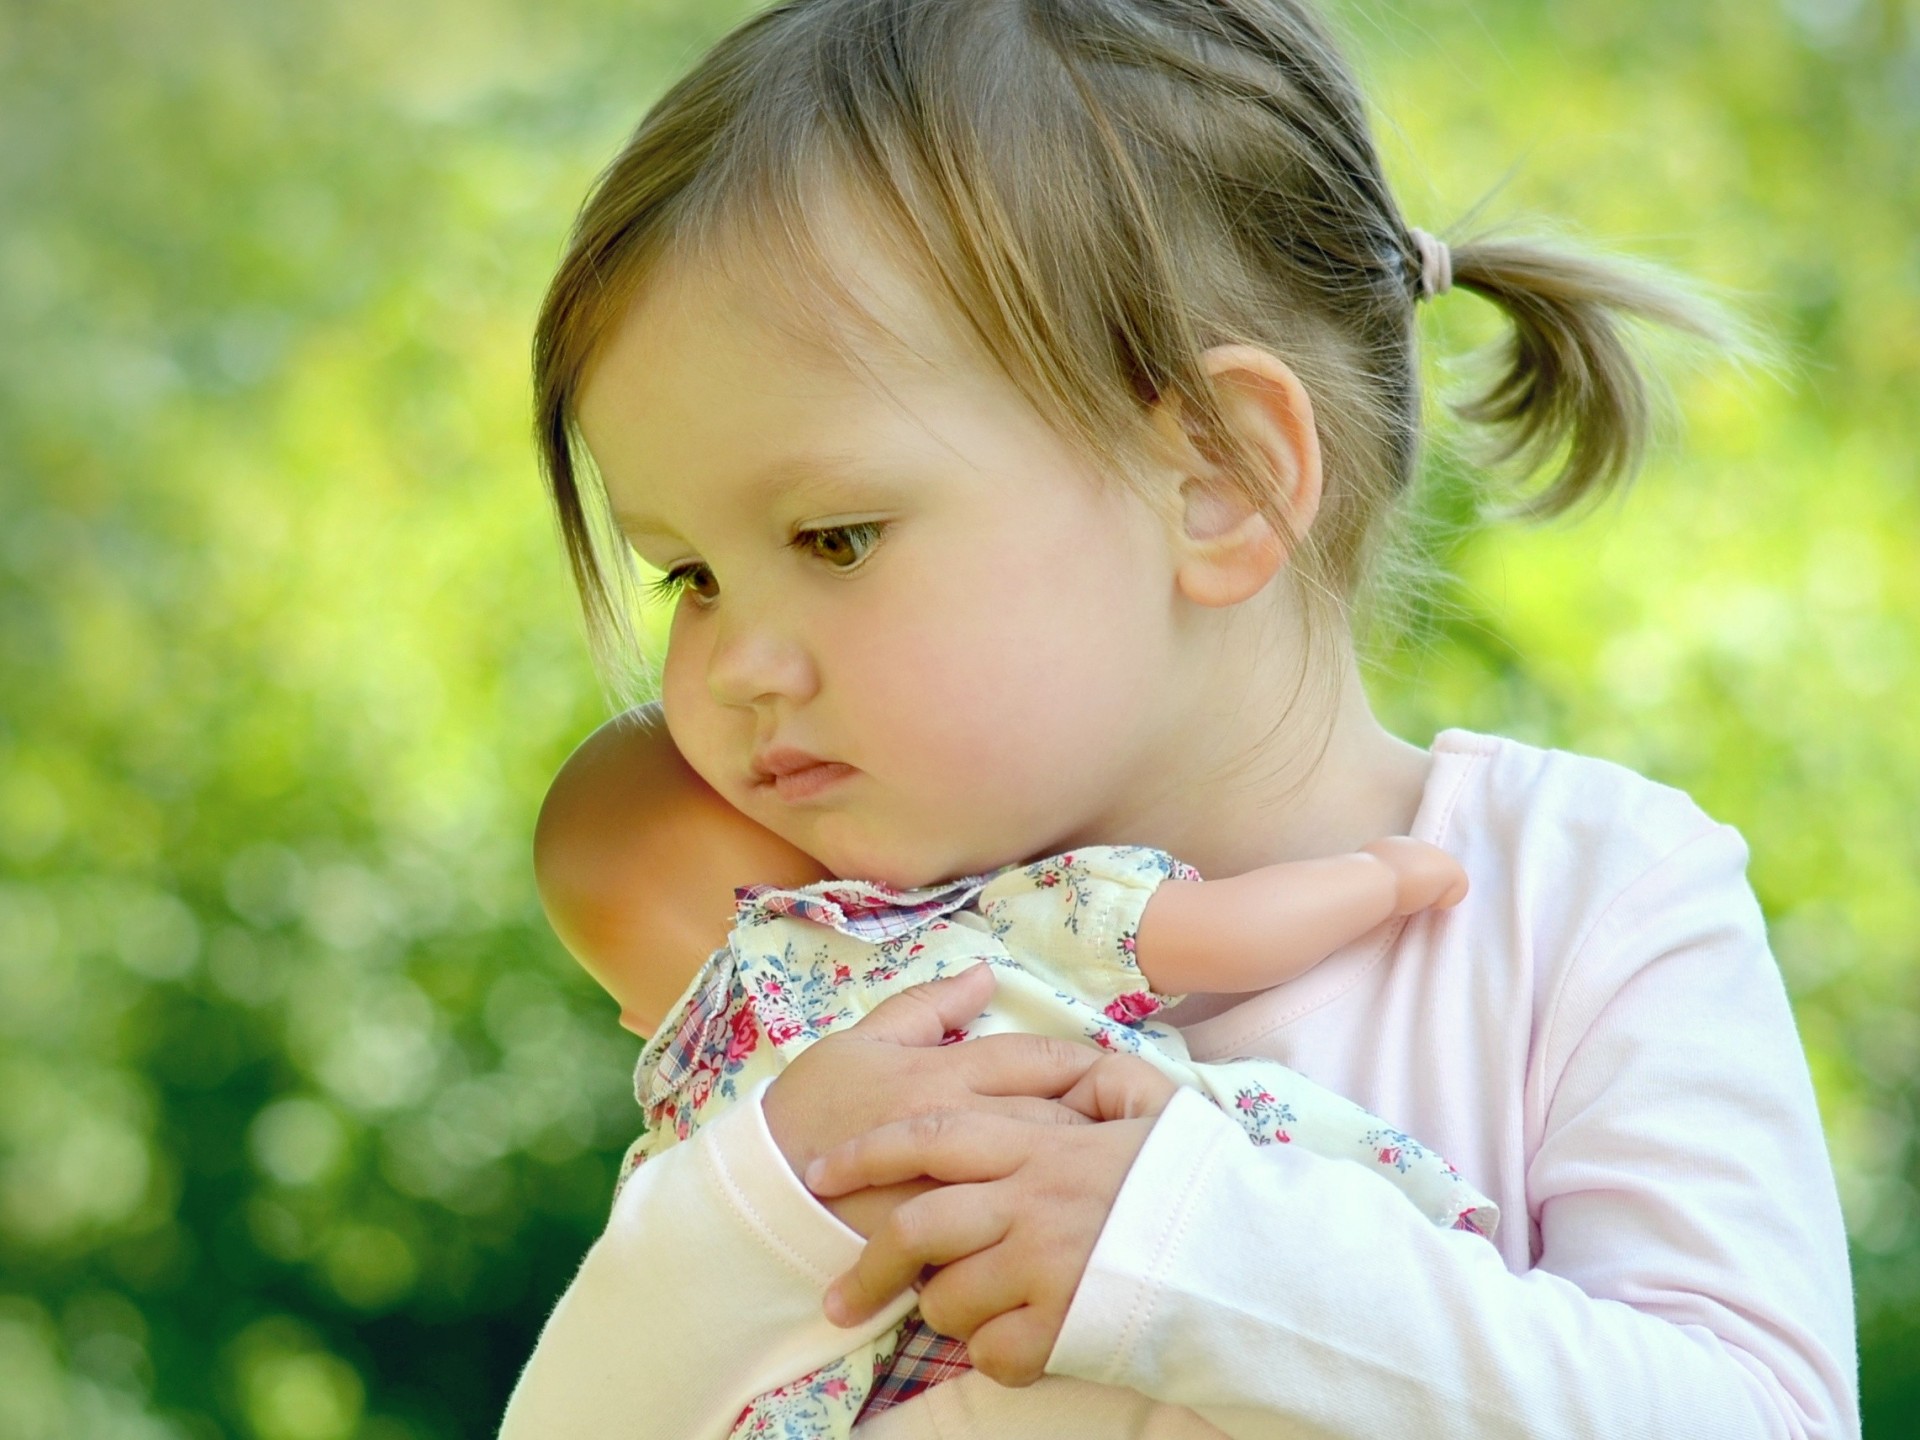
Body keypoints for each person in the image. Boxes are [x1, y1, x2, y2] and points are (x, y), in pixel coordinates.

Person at [500, 0, 1860, 1434]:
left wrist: (1184, 1249)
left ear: (1214, 477)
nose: (730, 671)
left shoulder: (1583, 898)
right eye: (691, 575)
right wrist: (752, 1213)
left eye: (835, 536)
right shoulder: (830, 1003)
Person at [543, 708, 1494, 1434]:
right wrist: (1380, 878)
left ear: (636, 1019)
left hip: (913, 1382)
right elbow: (1227, 935)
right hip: (1119, 1237)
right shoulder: (944, 927)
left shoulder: (682, 1157)